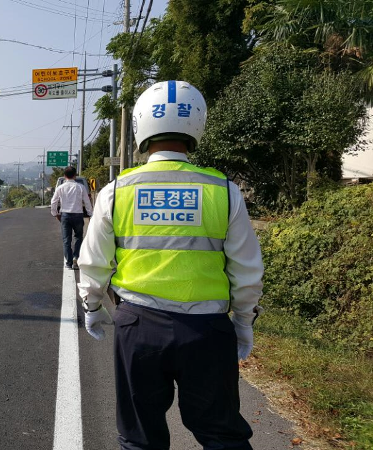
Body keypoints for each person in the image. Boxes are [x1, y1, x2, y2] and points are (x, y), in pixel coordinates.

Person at [77, 80, 264, 450]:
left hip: (138, 327)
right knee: (222, 434)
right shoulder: (223, 190)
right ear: (197, 126)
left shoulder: (117, 191)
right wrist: (243, 323)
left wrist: (92, 306)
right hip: (208, 331)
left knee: (140, 438)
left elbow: (93, 262)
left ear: (140, 128)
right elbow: (247, 272)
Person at [51, 166, 93, 270]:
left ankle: (69, 263)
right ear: (75, 175)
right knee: (78, 237)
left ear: (64, 176)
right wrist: (90, 214)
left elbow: (53, 202)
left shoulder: (60, 188)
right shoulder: (80, 187)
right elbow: (87, 202)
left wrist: (55, 213)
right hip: (78, 215)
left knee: (66, 240)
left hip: (65, 215)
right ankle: (76, 258)